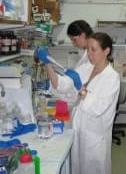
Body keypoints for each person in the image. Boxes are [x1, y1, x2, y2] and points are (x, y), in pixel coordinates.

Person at [36, 32, 120, 174]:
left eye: (94, 50)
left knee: (93, 169)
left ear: (106, 51)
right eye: (88, 49)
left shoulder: (112, 78)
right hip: (78, 128)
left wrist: (80, 88)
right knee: (77, 168)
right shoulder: (86, 67)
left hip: (95, 136)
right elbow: (61, 85)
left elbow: (97, 109)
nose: (89, 54)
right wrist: (48, 63)